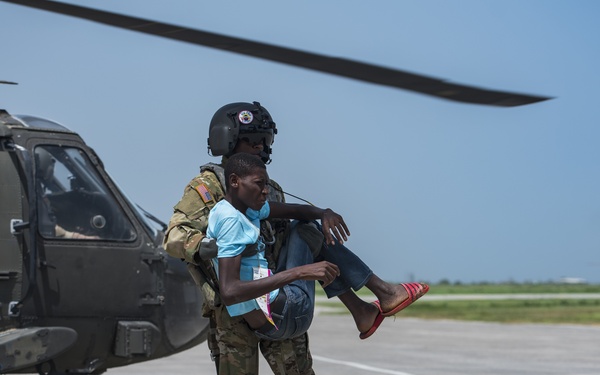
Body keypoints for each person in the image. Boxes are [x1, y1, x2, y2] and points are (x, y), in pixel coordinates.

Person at [207, 152, 429, 342]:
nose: (265, 190)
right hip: (286, 316)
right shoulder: (232, 221)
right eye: (259, 184)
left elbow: (294, 211)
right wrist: (301, 272)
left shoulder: (236, 208)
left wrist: (324, 213)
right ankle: (383, 293)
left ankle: (363, 310)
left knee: (306, 224)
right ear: (234, 181)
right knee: (306, 231)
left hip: (271, 319)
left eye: (266, 184)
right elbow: (230, 291)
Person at [164, 102, 317, 375]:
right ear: (228, 140)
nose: (260, 146)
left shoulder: (270, 190)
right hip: (232, 311)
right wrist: (207, 247)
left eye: (265, 140)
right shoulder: (207, 187)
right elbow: (175, 236)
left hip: (273, 300)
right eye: (253, 139)